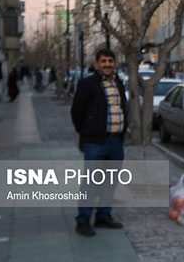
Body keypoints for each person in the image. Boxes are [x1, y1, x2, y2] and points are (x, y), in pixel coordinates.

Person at [70, 48, 128, 237]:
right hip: (95, 142)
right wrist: (86, 131)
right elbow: (76, 112)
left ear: (114, 63)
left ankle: (103, 215)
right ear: (97, 64)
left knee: (110, 182)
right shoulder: (88, 83)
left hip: (116, 142)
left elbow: (121, 108)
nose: (107, 64)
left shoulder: (118, 83)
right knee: (90, 183)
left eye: (110, 61)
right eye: (103, 61)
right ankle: (83, 221)